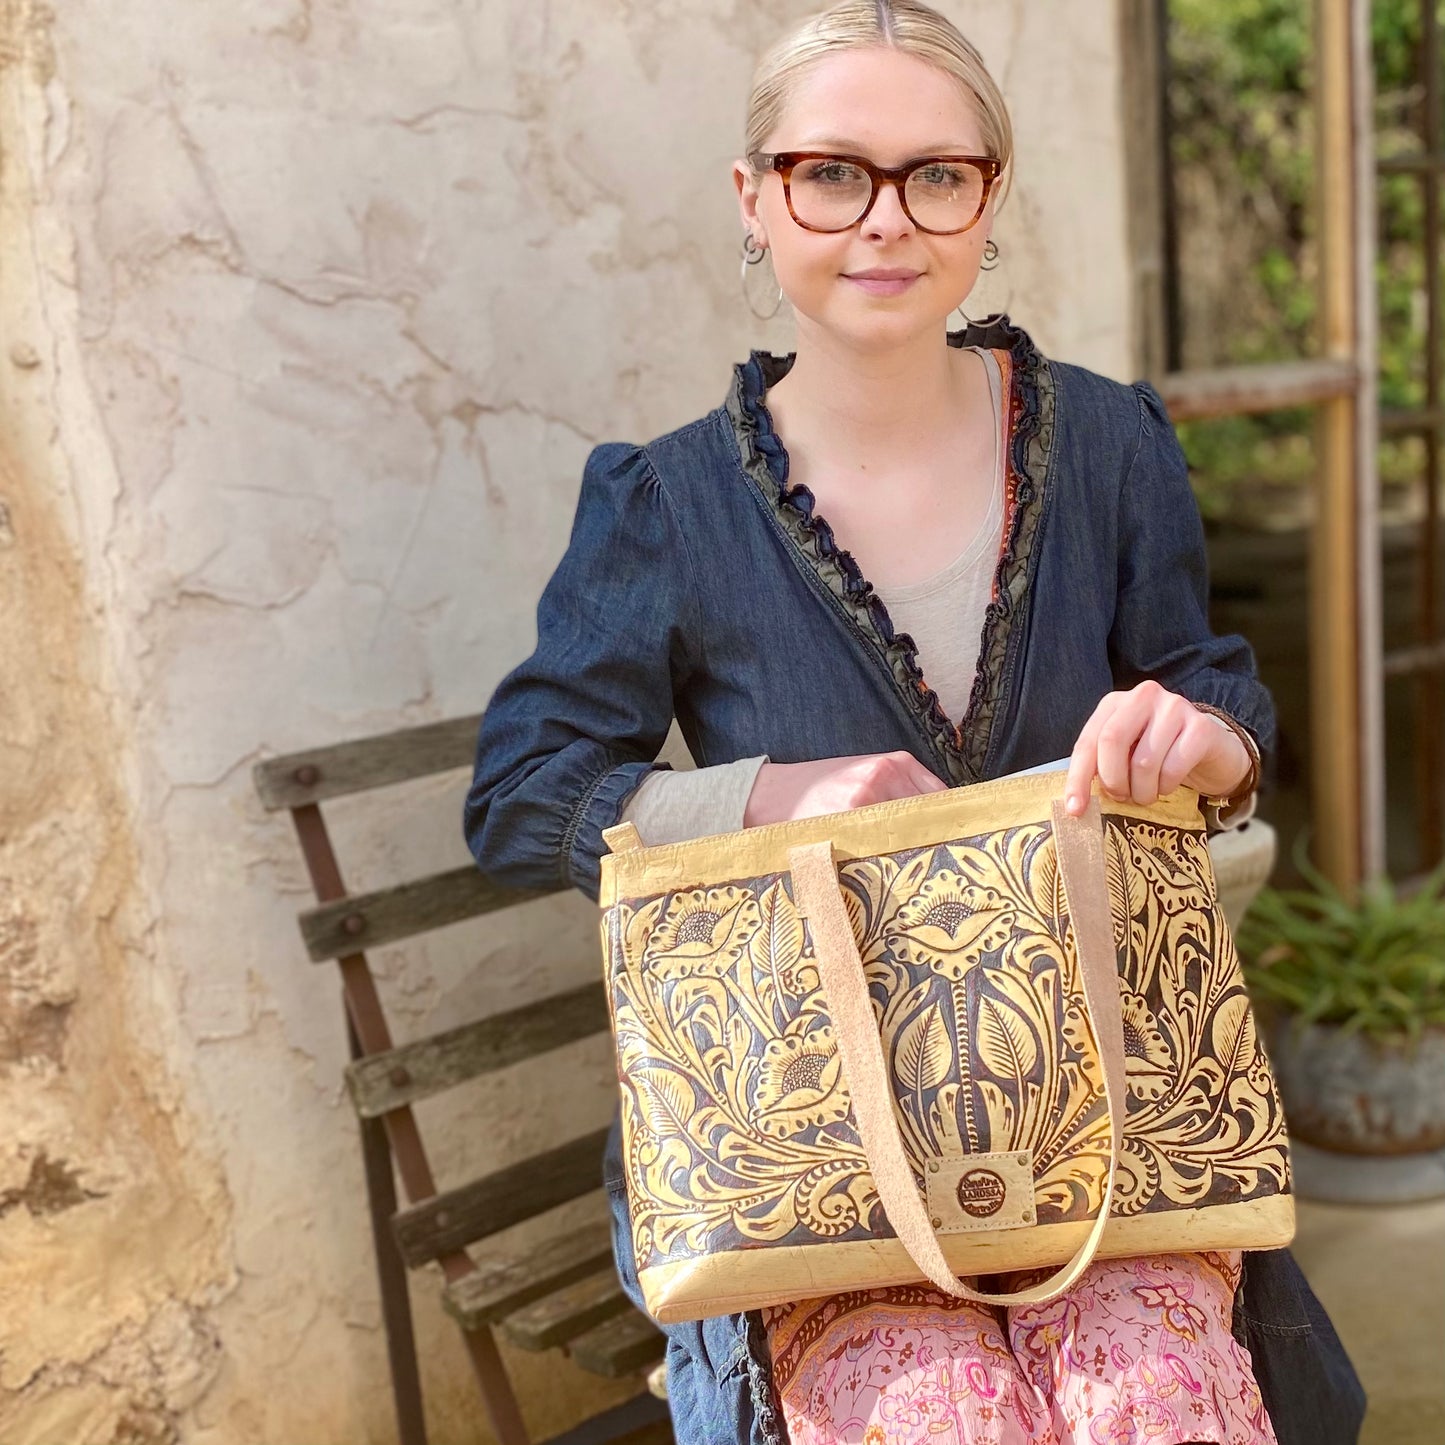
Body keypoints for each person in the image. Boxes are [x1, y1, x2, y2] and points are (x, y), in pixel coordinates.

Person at [463, 3, 1365, 1443]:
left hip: (1110, 1105)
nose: (885, 220)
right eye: (832, 172)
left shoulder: (1110, 445)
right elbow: (520, 791)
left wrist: (1205, 743)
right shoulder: (666, 504)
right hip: (813, 1142)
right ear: (753, 199)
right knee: (932, 1414)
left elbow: (1218, 685)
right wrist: (767, 796)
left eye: (935, 174)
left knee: (1149, 1399)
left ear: (987, 197)